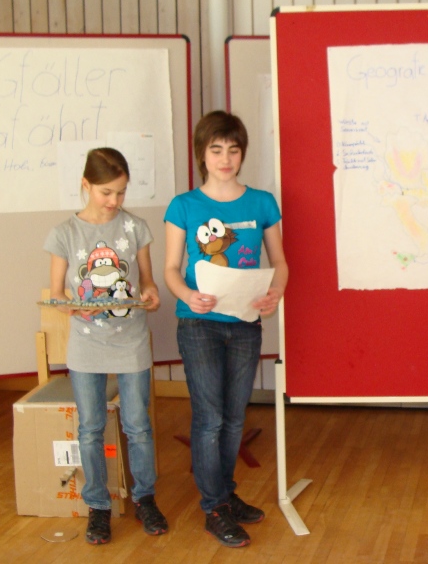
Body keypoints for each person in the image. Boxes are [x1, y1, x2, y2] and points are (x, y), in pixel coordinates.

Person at [163, 110, 288, 548]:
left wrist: (275, 293)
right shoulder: (183, 206)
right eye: (216, 149)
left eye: (233, 150)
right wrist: (187, 294)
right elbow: (171, 269)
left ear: (242, 154)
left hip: (245, 323)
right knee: (210, 418)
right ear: (202, 153)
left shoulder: (262, 203)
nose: (225, 158)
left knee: (235, 418)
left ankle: (225, 493)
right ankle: (214, 507)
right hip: (198, 323)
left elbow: (280, 262)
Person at [44, 148, 168, 544]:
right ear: (86, 185)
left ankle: (145, 498)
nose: (115, 201)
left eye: (121, 192)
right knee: (90, 428)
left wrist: (150, 293)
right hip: (86, 345)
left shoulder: (135, 228)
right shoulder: (65, 233)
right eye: (106, 192)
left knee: (138, 426)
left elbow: (147, 281)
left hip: (131, 341)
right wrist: (69, 305)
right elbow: (56, 291)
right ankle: (98, 505)